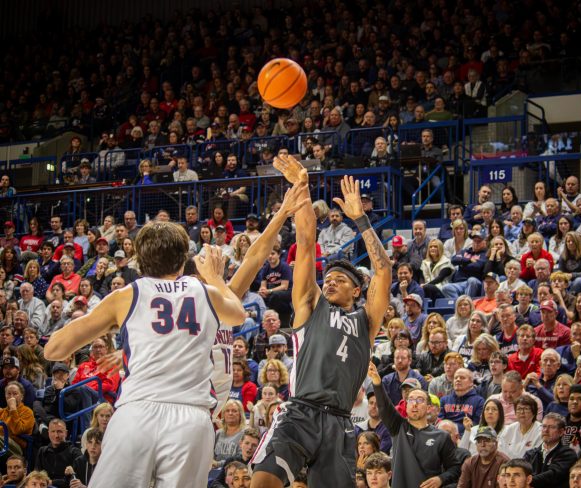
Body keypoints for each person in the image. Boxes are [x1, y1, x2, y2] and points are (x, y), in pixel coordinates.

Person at [44, 222, 247, 487]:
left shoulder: (126, 296)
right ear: (183, 259)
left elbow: (53, 350)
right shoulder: (204, 291)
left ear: (140, 259)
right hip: (191, 418)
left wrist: (112, 321)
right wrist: (216, 277)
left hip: (137, 411)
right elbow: (238, 314)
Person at [250, 163, 391, 487]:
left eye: (339, 280)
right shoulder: (311, 305)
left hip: (340, 422)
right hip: (300, 412)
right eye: (327, 279)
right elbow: (306, 240)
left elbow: (383, 272)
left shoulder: (365, 321)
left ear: (357, 290)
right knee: (261, 483)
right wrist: (302, 189)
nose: (329, 284)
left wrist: (361, 219)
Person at [367, 362, 461, 487]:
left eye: (420, 400)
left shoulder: (441, 436)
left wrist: (441, 479)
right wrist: (377, 383)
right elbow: (384, 407)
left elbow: (455, 469)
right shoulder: (398, 427)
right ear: (406, 407)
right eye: (410, 400)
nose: (414, 404)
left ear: (428, 408)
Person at [523, 412, 578, 488]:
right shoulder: (530, 454)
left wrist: (527, 481)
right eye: (544, 426)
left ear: (561, 432)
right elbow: (522, 472)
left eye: (551, 427)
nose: (546, 430)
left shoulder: (568, 454)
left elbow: (553, 474)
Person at [34, 418, 81, 488]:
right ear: (48, 433)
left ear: (66, 433)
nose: (56, 435)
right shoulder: (42, 451)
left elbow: (76, 481)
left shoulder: (75, 452)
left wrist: (52, 482)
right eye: (53, 431)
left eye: (59, 431)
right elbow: (37, 476)